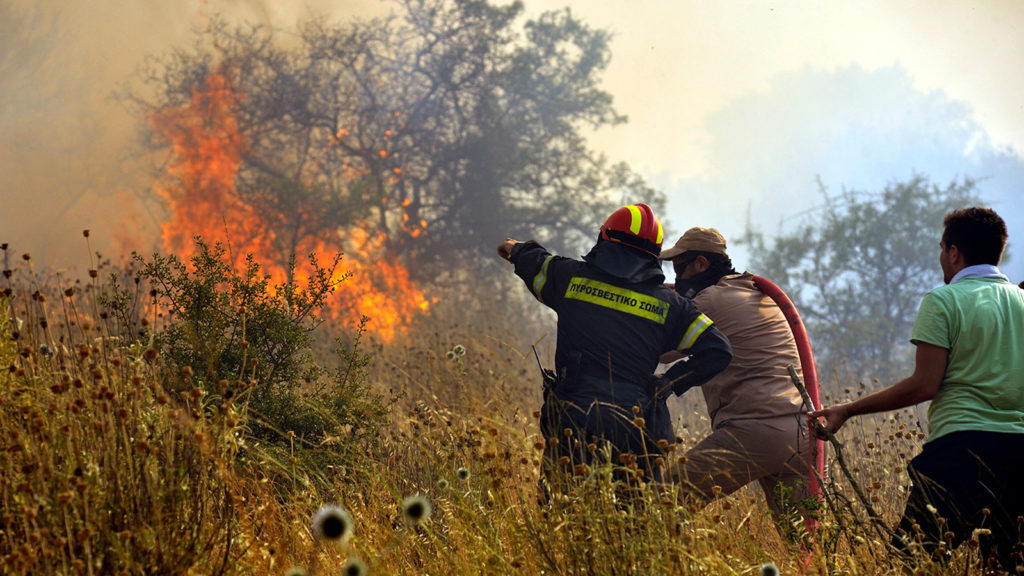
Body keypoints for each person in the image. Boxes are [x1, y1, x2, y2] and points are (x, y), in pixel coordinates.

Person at [812, 207, 1024, 570]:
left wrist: (848, 409)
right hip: (1019, 456)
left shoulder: (944, 301)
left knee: (908, 563)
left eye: (942, 249)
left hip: (960, 453)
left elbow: (925, 384)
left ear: (953, 252)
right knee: (1007, 566)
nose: (942, 258)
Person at [497, 204, 732, 483]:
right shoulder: (673, 307)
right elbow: (717, 351)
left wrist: (514, 248)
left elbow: (534, 258)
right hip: (636, 428)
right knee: (631, 522)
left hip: (574, 422)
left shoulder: (568, 277)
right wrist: (667, 384)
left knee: (561, 513)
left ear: (605, 240)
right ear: (653, 255)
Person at [659, 227, 812, 531]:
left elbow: (662, 353)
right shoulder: (752, 290)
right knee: (804, 546)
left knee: (661, 501)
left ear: (700, 264)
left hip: (755, 431)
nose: (679, 276)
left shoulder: (709, 301)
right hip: (801, 433)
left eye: (680, 267)